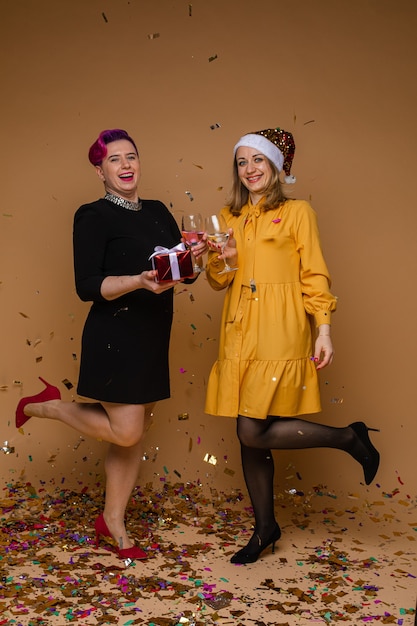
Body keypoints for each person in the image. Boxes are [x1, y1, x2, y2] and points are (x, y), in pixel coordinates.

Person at [15, 128, 206, 561]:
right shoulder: (92, 215)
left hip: (154, 333)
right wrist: (137, 281)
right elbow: (87, 286)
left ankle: (113, 521)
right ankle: (44, 405)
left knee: (129, 438)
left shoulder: (158, 210)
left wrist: (201, 255)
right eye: (115, 159)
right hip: (115, 334)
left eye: (131, 157)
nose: (125, 165)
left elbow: (176, 269)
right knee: (127, 431)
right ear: (99, 169)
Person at [204, 126, 380, 564]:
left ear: (276, 166)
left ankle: (348, 437)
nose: (249, 170)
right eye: (242, 162)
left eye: (257, 160)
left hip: (280, 326)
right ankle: (265, 529)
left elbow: (314, 273)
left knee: (251, 427)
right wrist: (222, 262)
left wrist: (323, 327)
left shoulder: (298, 211)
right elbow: (217, 280)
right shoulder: (228, 215)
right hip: (238, 326)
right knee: (251, 437)